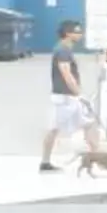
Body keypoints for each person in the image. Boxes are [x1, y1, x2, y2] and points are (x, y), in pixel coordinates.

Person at [38, 20, 97, 171]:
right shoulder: (63, 51)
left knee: (89, 124)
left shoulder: (63, 50)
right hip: (65, 98)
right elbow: (66, 73)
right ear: (68, 33)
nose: (80, 34)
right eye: (77, 31)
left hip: (68, 97)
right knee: (54, 128)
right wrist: (79, 93)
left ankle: (95, 158)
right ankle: (45, 162)